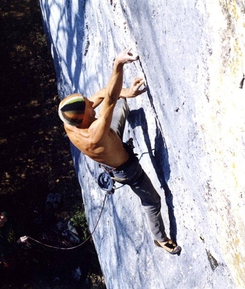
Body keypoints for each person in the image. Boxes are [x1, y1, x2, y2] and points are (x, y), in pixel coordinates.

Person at [57, 48, 181, 254]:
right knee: (152, 201)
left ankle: (127, 101)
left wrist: (128, 92)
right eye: (89, 106)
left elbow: (102, 96)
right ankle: (160, 239)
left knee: (121, 101)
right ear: (84, 119)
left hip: (111, 140)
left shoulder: (70, 120)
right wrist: (118, 64)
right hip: (126, 170)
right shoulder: (93, 135)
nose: (90, 102)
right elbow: (109, 99)